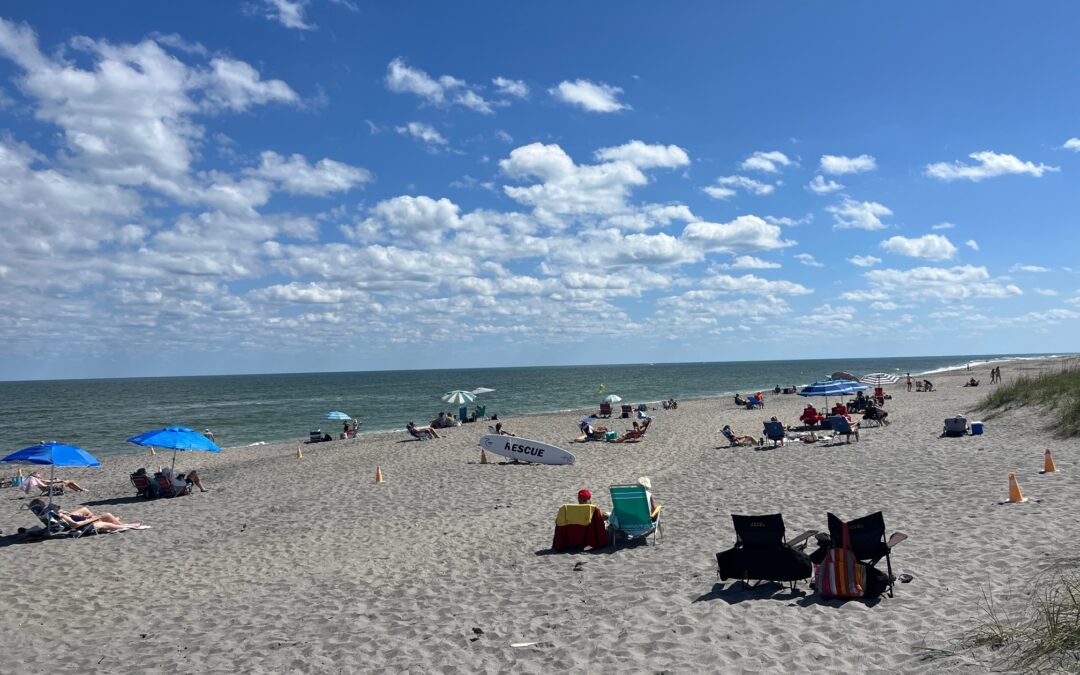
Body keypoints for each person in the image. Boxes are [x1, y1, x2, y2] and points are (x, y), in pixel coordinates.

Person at [33, 499, 142, 532]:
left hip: (84, 524)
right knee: (106, 517)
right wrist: (93, 518)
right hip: (84, 527)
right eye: (43, 504)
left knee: (107, 516)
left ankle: (120, 524)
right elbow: (75, 525)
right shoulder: (60, 516)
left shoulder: (52, 515)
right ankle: (127, 526)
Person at [21, 472, 87, 494]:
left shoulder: (38, 481)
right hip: (52, 488)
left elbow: (49, 481)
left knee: (68, 483)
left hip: (49, 488)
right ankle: (81, 489)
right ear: (37, 476)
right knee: (70, 482)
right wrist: (61, 481)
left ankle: (76, 490)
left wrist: (57, 480)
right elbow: (51, 482)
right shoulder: (41, 480)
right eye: (38, 474)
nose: (40, 475)